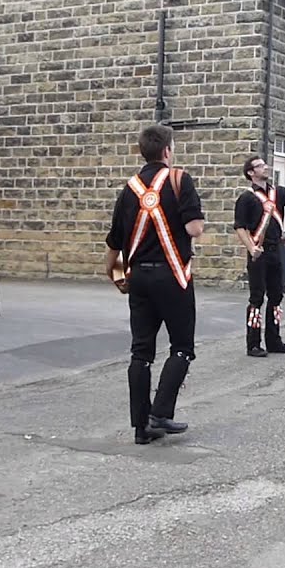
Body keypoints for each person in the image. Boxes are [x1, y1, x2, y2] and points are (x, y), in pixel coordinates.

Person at [104, 124, 204, 445]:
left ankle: (140, 427)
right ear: (167, 151)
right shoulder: (179, 180)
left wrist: (119, 278)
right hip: (173, 277)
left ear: (142, 152)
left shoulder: (128, 190)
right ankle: (161, 412)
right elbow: (195, 229)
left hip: (140, 279)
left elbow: (114, 245)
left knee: (141, 352)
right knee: (182, 347)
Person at [233, 154, 285, 357]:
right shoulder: (246, 198)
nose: (266, 167)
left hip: (276, 250)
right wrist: (251, 248)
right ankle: (253, 343)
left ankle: (274, 340)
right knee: (257, 297)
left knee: (276, 296)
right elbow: (240, 227)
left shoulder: (278, 193)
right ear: (251, 173)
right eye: (261, 165)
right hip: (258, 253)